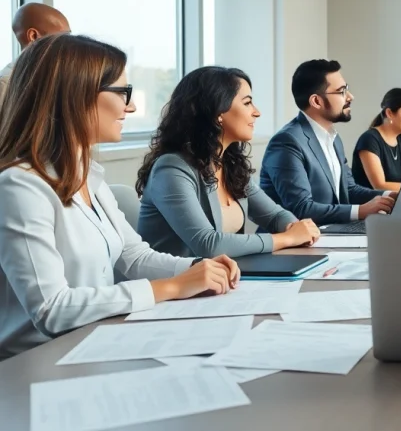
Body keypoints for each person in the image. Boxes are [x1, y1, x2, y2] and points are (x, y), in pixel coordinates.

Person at [0, 34, 240, 359]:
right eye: (123, 92)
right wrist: (171, 287)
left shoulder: (90, 176)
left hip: (95, 341)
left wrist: (197, 267)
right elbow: (51, 309)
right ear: (77, 95)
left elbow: (134, 256)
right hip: (36, 361)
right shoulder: (20, 186)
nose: (132, 106)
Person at [136, 66, 320, 258]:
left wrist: (295, 227)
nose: (256, 112)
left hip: (228, 274)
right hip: (181, 276)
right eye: (247, 103)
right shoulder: (172, 169)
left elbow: (274, 215)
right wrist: (288, 238)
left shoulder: (230, 165)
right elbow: (208, 245)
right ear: (218, 112)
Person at [260, 59, 395, 226]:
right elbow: (301, 208)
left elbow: (349, 189)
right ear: (316, 101)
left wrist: (389, 196)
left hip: (331, 231)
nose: (350, 97)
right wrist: (361, 211)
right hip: (296, 239)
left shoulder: (333, 138)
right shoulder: (287, 142)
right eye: (341, 91)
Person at [0, 3, 70, 103]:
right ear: (33, 36)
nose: (69, 43)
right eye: (63, 36)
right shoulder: (6, 85)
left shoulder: (62, 75)